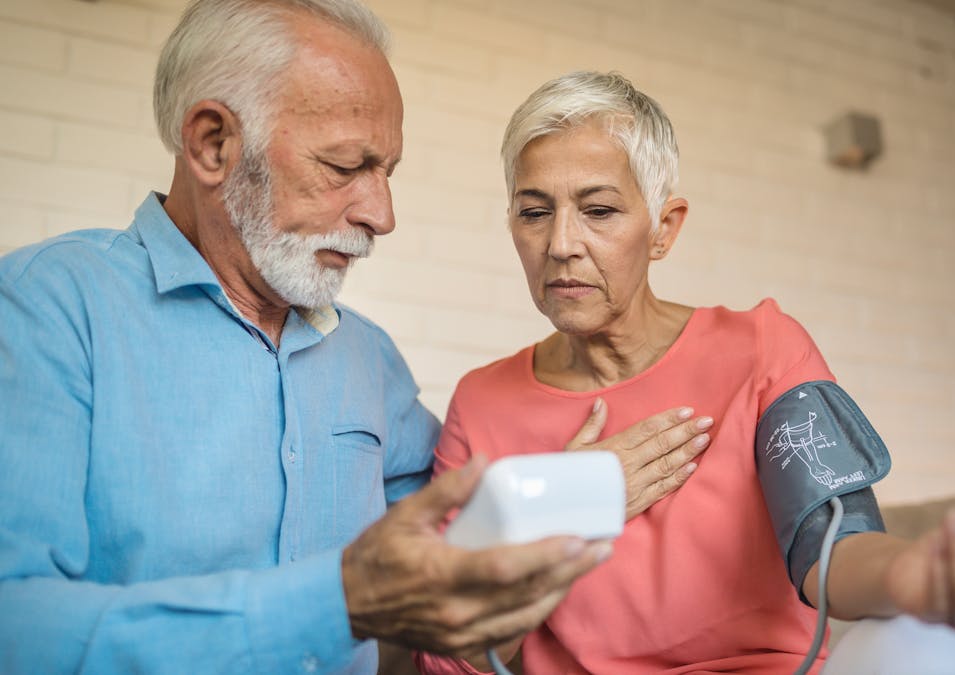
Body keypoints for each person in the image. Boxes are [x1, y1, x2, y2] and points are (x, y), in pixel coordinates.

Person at [0, 4, 710, 673]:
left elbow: (450, 552)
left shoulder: (368, 359)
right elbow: (16, 627)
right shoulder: (48, 308)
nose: (382, 212)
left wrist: (568, 494)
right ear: (212, 144)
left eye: (387, 172)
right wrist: (336, 602)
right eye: (345, 167)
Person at [416, 71, 955, 674]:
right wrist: (557, 509)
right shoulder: (483, 402)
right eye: (534, 212)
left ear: (664, 228)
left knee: (930, 650)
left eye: (600, 210)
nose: (560, 243)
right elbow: (448, 658)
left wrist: (913, 574)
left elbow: (830, 544)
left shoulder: (760, 346)